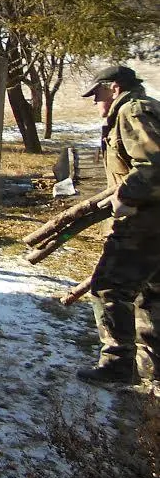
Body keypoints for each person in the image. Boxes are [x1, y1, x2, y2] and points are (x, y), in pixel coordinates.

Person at [77, 64, 160, 387]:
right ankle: (152, 364)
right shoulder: (146, 107)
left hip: (145, 219)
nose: (96, 103)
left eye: (97, 94)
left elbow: (154, 164)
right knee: (151, 292)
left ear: (113, 87)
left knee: (109, 286)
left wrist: (126, 195)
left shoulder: (132, 111)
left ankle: (118, 363)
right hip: (152, 218)